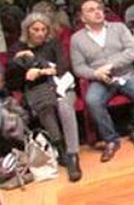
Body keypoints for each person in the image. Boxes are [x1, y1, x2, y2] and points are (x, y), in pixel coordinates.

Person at [70, 0, 134, 162]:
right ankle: (111, 139)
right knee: (92, 101)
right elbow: (78, 67)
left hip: (126, 73)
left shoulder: (119, 27)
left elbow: (132, 51)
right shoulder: (76, 39)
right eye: (91, 10)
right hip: (100, 80)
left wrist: (111, 65)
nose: (97, 12)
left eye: (99, 9)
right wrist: (95, 74)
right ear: (82, 17)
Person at [6, 12, 82, 181]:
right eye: (36, 30)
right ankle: (59, 146)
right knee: (44, 105)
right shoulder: (17, 49)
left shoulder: (53, 43)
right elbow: (11, 82)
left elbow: (63, 67)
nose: (40, 33)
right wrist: (20, 66)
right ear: (27, 30)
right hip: (36, 91)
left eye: (43, 29)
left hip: (62, 87)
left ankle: (72, 154)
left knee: (64, 106)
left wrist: (40, 70)